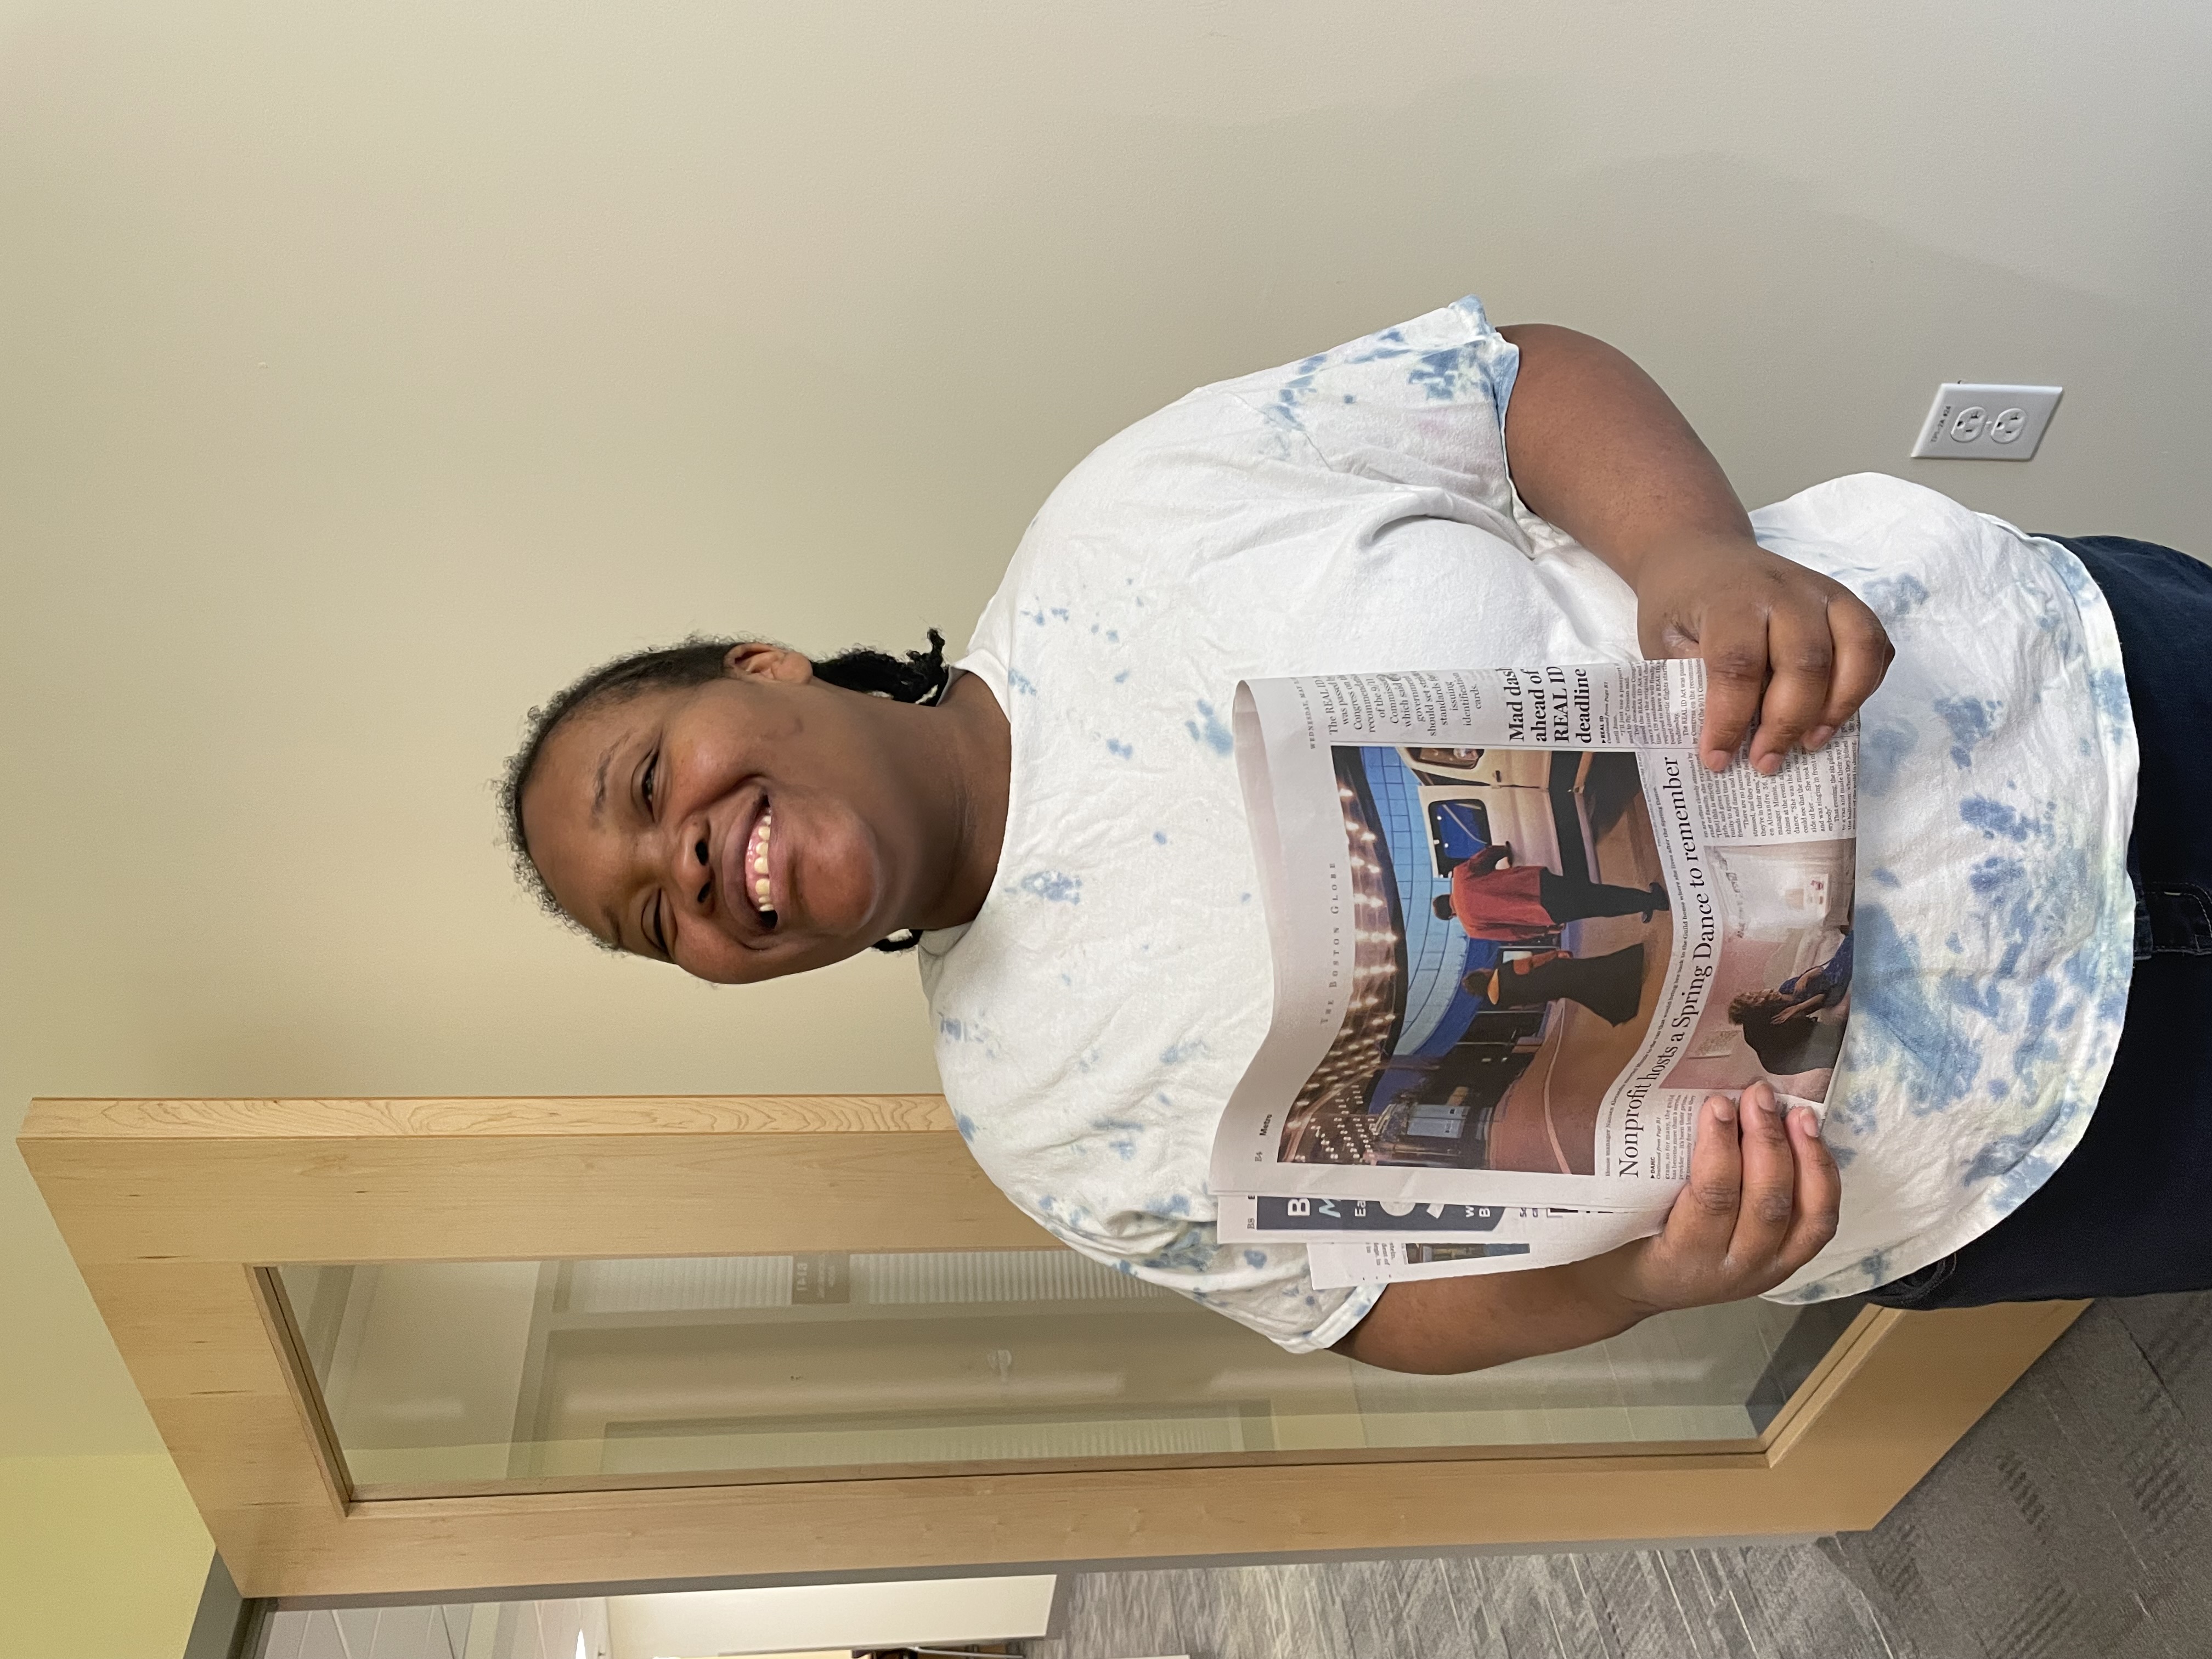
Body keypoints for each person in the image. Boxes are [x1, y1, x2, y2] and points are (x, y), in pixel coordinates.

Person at [506, 296, 2200, 1376]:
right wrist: (1634, 1287)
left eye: (648, 789)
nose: (688, 873)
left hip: (2047, 694)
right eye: (653, 922)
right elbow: (1368, 1312)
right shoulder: (1033, 1114)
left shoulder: (1131, 511)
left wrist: (1688, 552)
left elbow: (1520, 379)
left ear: (759, 666)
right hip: (2007, 1137)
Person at [1430, 842, 1666, 943]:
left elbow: (1513, 934)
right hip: (1538, 883)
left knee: (1597, 908)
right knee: (1594, 891)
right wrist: (1504, 850)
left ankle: (1648, 902)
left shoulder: (1472, 928)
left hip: (1543, 913)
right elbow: (1488, 856)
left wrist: (1545, 929)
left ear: (1451, 916)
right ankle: (1647, 899)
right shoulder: (1461, 877)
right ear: (1445, 896)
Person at [1462, 945, 1647, 1028]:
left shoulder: (1498, 1002)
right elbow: (1532, 963)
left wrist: (1549, 997)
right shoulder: (1502, 972)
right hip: (1553, 973)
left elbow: (1526, 1004)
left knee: (1587, 993)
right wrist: (1555, 954)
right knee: (1596, 968)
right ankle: (1631, 966)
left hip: (1551, 989)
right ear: (1482, 975)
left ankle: (1622, 1007)